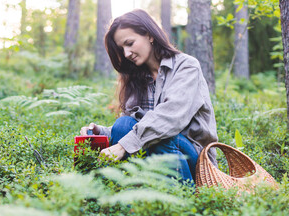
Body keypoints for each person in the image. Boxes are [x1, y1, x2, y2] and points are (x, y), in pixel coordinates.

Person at [80, 9, 218, 182]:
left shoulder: (186, 66)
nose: (126, 54)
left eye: (129, 43)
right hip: (159, 152)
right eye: (122, 48)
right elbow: (131, 126)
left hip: (196, 162)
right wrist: (100, 132)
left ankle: (182, 195)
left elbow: (170, 119)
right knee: (123, 124)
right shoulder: (138, 79)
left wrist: (124, 146)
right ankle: (134, 195)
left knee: (154, 133)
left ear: (149, 35)